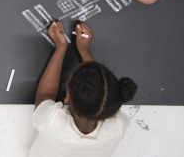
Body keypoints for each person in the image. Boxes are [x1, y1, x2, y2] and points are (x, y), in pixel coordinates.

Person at [30, 21, 138, 157]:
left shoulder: (52, 120)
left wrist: (61, 48)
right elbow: (103, 96)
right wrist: (85, 50)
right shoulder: (118, 127)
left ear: (67, 97)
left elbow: (46, 94)